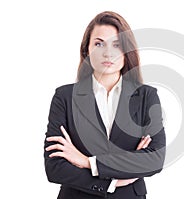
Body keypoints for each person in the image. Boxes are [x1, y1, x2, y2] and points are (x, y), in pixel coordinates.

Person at [44, 11, 166, 199]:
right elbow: (55, 168)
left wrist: (87, 162)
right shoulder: (65, 97)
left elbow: (155, 159)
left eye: (117, 45)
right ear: (87, 50)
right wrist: (115, 180)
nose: (108, 53)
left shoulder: (146, 97)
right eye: (99, 44)